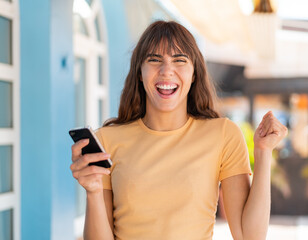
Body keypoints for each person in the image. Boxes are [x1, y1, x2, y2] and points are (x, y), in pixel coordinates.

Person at [70, 20, 287, 240]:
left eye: (179, 60)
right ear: (139, 72)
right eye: (154, 60)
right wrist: (93, 192)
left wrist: (263, 152)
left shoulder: (223, 135)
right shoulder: (107, 141)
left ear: (194, 74)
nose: (166, 71)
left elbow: (249, 236)